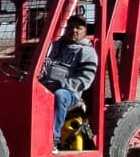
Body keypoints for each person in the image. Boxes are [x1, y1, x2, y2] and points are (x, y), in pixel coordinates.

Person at [40, 14, 98, 148]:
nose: (74, 31)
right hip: (45, 86)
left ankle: (53, 139)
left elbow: (85, 80)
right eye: (70, 27)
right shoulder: (53, 47)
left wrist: (60, 84)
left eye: (79, 28)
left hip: (71, 94)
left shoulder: (87, 52)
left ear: (85, 31)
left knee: (60, 95)